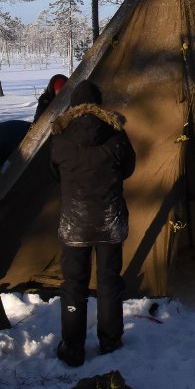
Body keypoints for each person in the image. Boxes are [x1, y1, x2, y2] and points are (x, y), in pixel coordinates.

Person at [49, 81, 137, 367]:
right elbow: (128, 168)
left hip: (74, 223)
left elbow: (55, 172)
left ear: (73, 106)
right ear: (99, 105)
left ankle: (73, 347)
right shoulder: (116, 135)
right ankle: (110, 341)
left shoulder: (60, 138)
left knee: (74, 284)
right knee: (109, 282)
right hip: (109, 222)